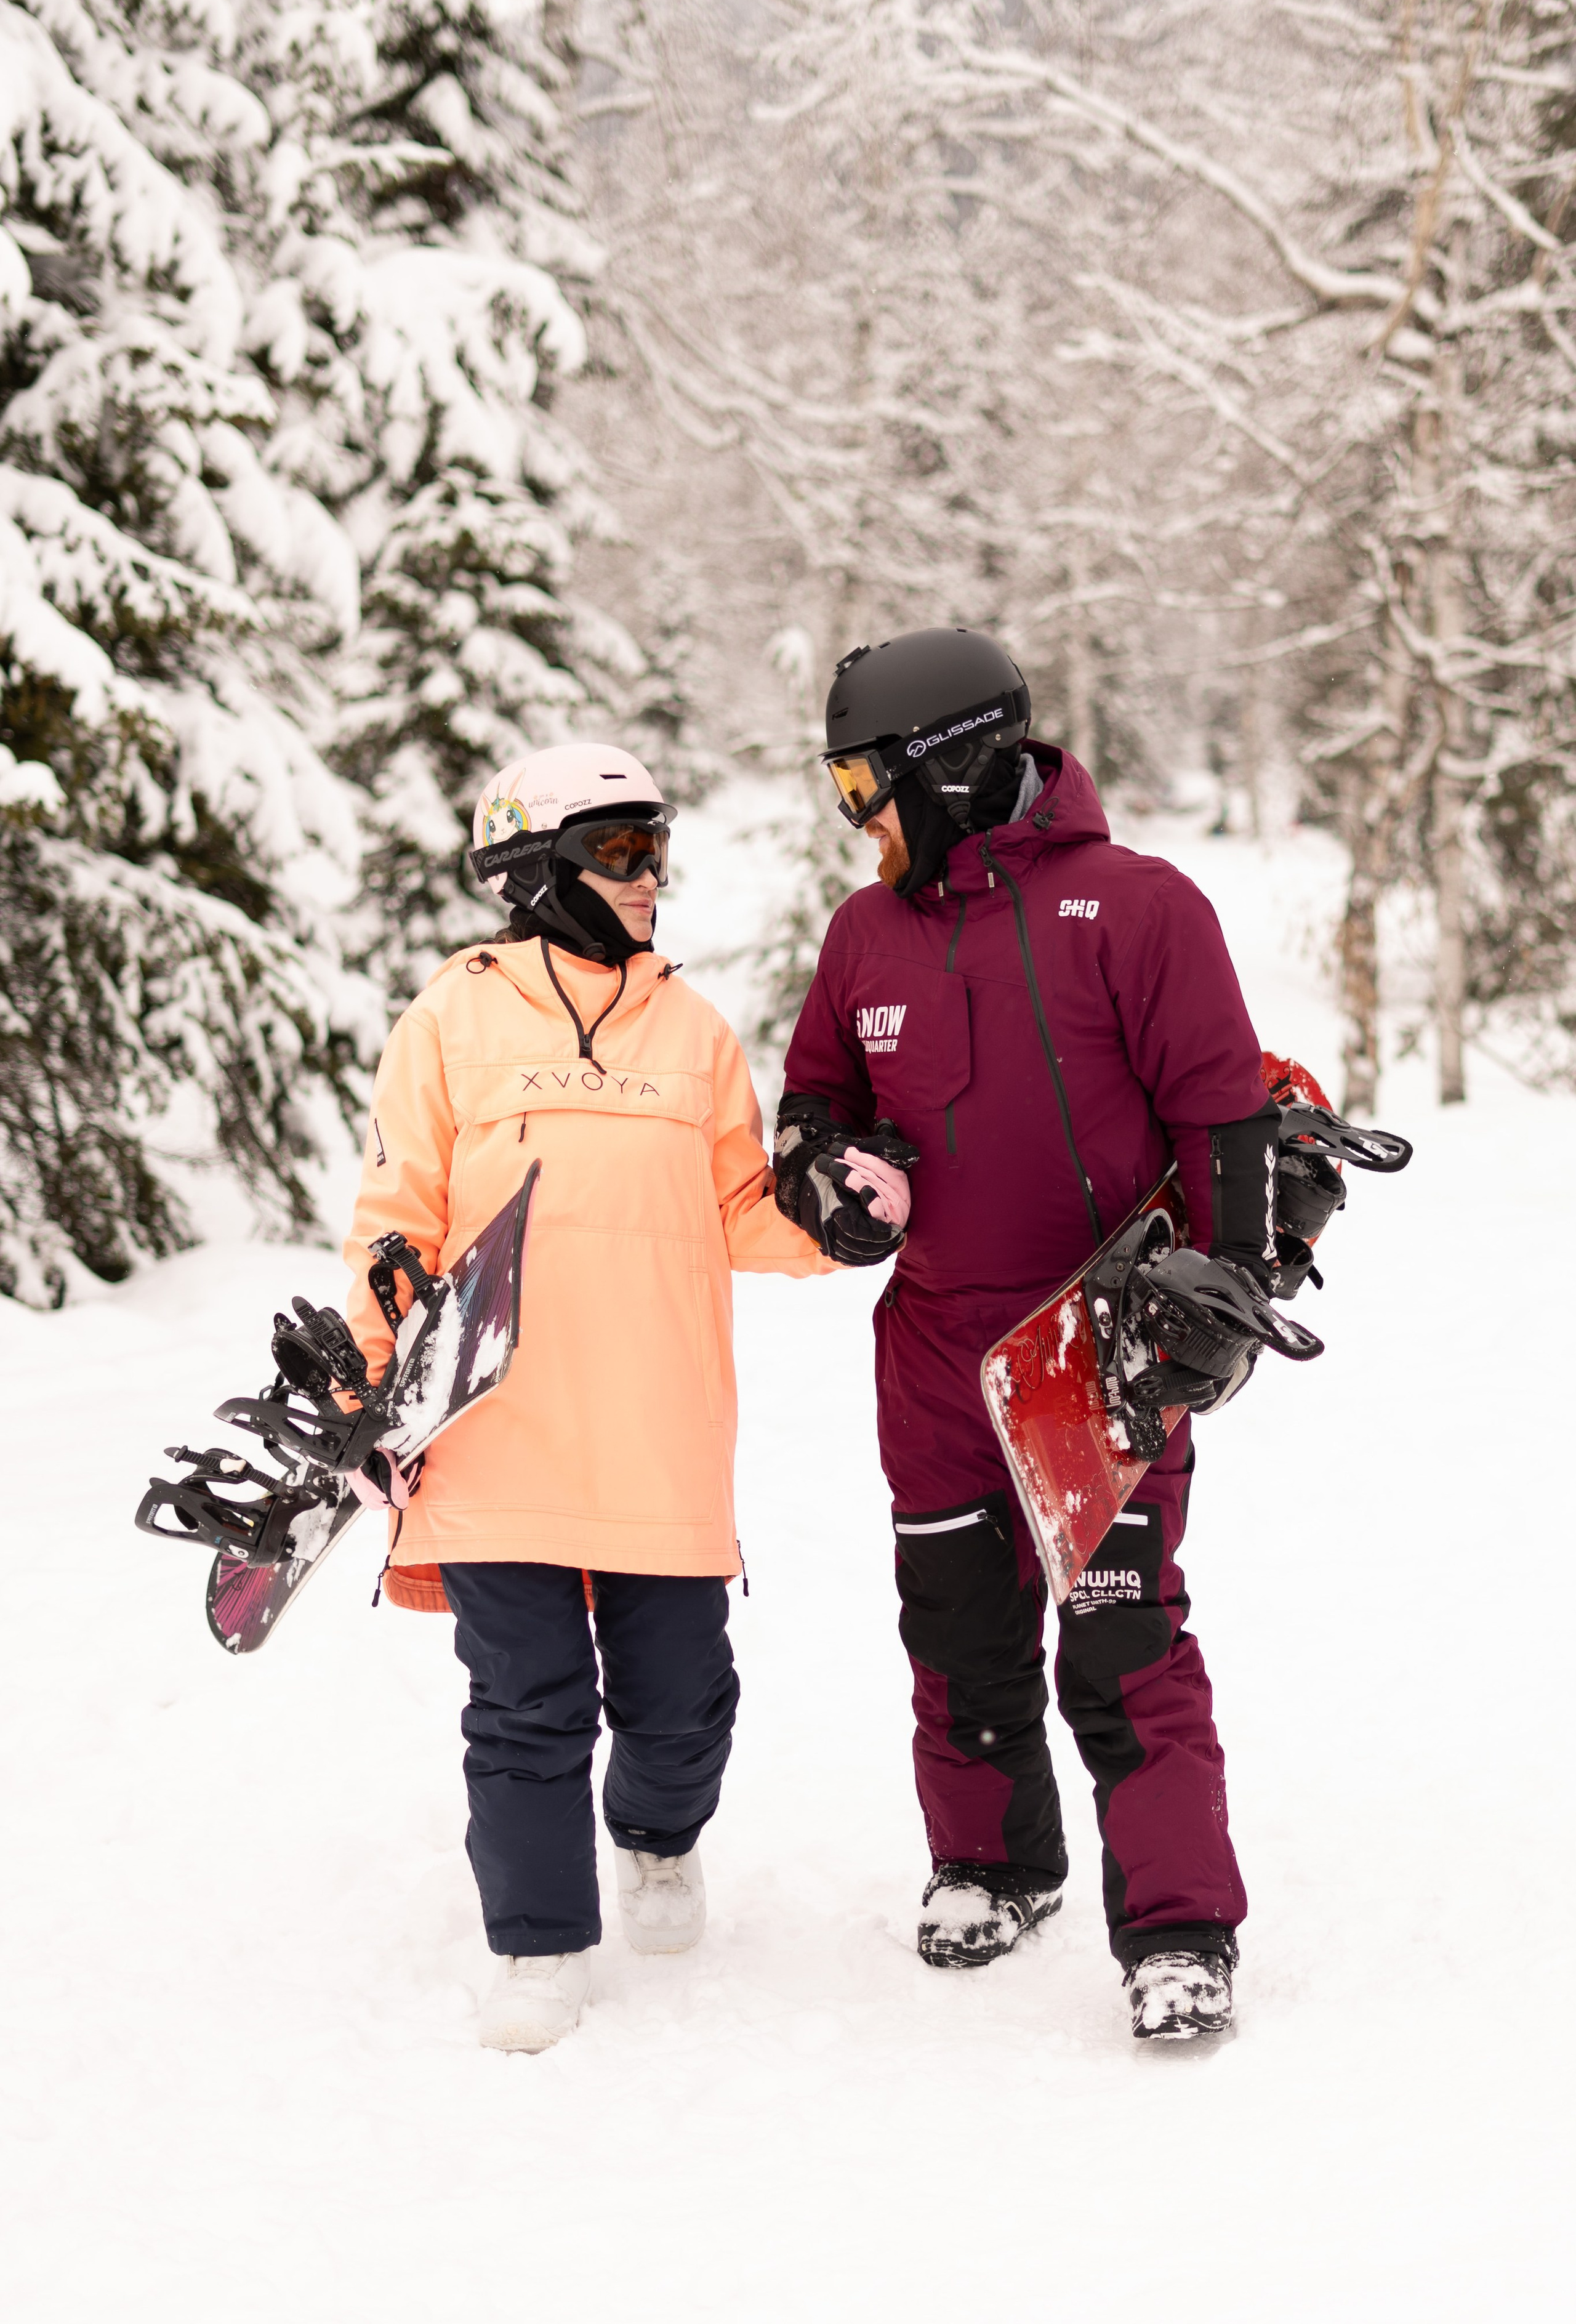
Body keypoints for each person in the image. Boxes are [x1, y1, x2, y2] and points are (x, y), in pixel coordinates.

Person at [340, 743, 909, 2052]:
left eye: (657, 848)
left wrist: (834, 1228)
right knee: (524, 1702)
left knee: (680, 1698)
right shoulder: (450, 1016)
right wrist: (377, 1388)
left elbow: (737, 1213)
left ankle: (656, 1837)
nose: (651, 877)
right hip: (496, 1432)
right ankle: (536, 1945)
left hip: (656, 1429)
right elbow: (392, 1218)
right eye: (620, 850)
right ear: (535, 865)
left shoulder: (691, 1028)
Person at [773, 628, 1283, 2041]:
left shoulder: (1134, 905)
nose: (852, 815)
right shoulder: (863, 933)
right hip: (931, 1349)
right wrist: (824, 1181)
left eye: (862, 782)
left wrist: (1222, 1292)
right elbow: (813, 1105)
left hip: (1095, 1340)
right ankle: (991, 1864)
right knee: (953, 1627)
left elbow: (1220, 1110)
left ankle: (1180, 1928)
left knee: (1117, 1641)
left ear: (945, 759)